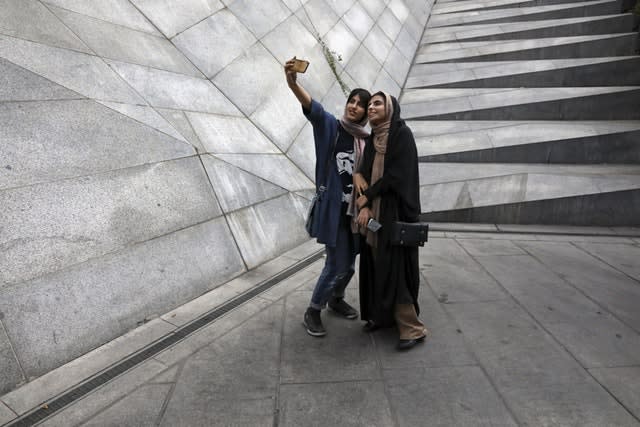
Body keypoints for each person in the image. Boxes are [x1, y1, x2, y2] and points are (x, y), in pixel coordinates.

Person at [284, 57, 371, 337]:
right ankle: (313, 309)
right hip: (334, 210)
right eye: (352, 101)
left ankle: (336, 299)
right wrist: (292, 81)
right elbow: (313, 108)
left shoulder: (365, 141)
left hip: (355, 213)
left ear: (365, 113)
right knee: (335, 264)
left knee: (349, 266)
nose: (354, 106)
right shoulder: (331, 127)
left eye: (360, 104)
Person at [355, 91, 428, 351]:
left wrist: (368, 198)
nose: (371, 107)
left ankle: (412, 328)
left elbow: (397, 176)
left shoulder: (401, 134)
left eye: (378, 103)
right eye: (370, 103)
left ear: (390, 107)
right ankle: (381, 316)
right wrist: (363, 198)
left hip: (395, 214)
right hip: (376, 214)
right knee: (375, 267)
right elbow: (364, 171)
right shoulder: (375, 137)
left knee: (395, 271)